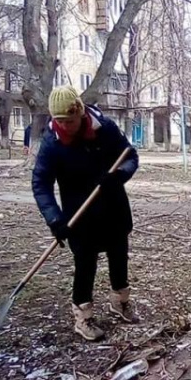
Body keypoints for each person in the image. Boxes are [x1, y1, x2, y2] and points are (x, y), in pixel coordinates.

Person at [32, 85, 139, 341]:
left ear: (80, 112)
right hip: (78, 213)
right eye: (59, 121)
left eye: (69, 120)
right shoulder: (52, 143)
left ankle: (120, 301)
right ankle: (83, 317)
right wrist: (54, 218)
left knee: (118, 256)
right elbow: (41, 183)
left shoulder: (105, 129)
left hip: (113, 205)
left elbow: (130, 156)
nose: (65, 126)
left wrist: (119, 175)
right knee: (85, 264)